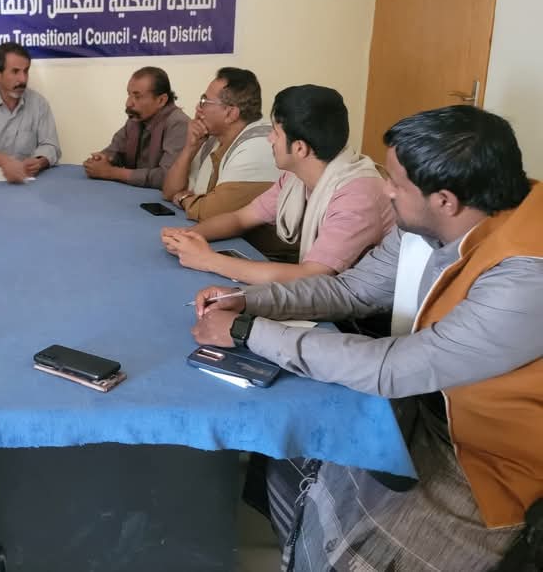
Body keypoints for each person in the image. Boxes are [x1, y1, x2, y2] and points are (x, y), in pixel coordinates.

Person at [190, 105, 543, 572]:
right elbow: (351, 290)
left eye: (395, 182)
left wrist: (246, 331)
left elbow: (394, 367)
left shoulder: (527, 274)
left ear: (445, 200)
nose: (384, 190)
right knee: (292, 436)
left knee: (360, 550)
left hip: (493, 454)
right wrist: (249, 301)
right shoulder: (442, 218)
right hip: (431, 400)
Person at [162, 84, 393, 284]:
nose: (269, 139)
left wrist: (208, 260)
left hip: (363, 313)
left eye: (276, 133)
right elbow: (241, 218)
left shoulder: (357, 195)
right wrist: (188, 236)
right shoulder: (296, 177)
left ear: (300, 148)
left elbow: (312, 276)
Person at [160, 68, 279, 218]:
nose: (198, 108)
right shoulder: (212, 138)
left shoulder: (259, 145)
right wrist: (190, 148)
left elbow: (211, 211)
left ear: (230, 113)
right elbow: (170, 192)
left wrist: (183, 199)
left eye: (204, 101)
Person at [0, 42, 60, 184]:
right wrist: (5, 162)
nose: (23, 79)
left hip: (25, 181)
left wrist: (39, 161)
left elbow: (51, 145)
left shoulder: (39, 103)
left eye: (26, 71)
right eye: (15, 72)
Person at [82, 67, 189, 189]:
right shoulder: (136, 119)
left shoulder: (178, 124)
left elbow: (167, 177)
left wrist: (112, 172)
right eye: (129, 95)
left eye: (137, 97)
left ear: (161, 100)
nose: (128, 103)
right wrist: (101, 159)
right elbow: (116, 150)